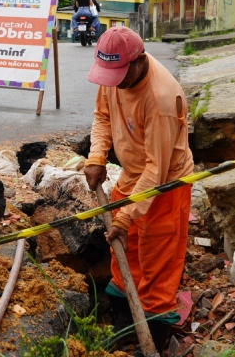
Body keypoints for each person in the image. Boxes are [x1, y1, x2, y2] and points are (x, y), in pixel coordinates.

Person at [83, 27, 194, 351]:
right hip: (132, 176)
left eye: (118, 74)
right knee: (125, 252)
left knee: (156, 263)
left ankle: (156, 340)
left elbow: (156, 171)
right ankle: (125, 324)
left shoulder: (160, 98)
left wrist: (126, 215)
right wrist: (96, 157)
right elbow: (102, 117)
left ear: (138, 61)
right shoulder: (114, 78)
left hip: (165, 187)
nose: (113, 82)